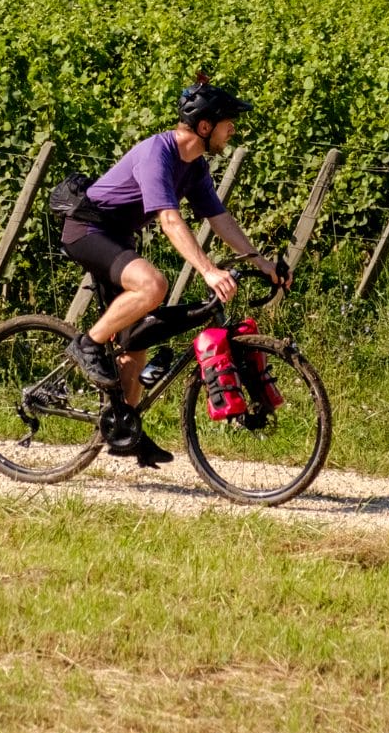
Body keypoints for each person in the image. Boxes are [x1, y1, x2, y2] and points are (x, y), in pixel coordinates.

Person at [60, 78, 277, 466]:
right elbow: (169, 220)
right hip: (87, 231)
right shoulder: (157, 153)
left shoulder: (194, 166)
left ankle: (123, 428)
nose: (233, 131)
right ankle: (88, 343)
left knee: (135, 344)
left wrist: (259, 261)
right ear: (205, 126)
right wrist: (208, 270)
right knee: (153, 284)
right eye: (228, 123)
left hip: (118, 236)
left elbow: (219, 217)